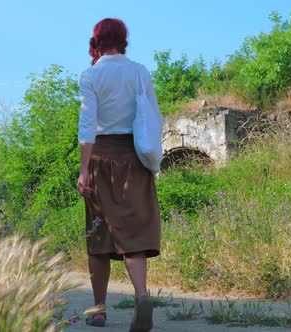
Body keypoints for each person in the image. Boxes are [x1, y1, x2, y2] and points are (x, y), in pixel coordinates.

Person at [77, 18, 161, 332]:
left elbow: (87, 126)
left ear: (96, 40)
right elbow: (152, 116)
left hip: (101, 156)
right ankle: (141, 295)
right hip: (135, 158)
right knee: (134, 235)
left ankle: (98, 311)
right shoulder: (139, 71)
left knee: (100, 236)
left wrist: (84, 169)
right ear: (124, 39)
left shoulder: (91, 75)